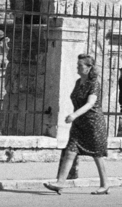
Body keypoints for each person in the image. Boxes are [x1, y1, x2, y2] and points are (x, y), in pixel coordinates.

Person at [46, 53, 110, 194]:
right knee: (70, 151)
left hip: (93, 123)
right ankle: (60, 182)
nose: (77, 68)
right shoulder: (78, 82)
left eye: (80, 66)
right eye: (77, 65)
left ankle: (105, 184)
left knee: (97, 154)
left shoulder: (94, 84)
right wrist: (75, 116)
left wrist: (74, 114)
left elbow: (90, 103)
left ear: (89, 68)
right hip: (79, 123)